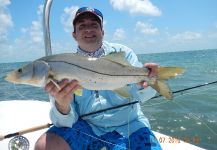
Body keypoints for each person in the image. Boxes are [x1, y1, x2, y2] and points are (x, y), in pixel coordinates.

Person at [35, 7, 162, 150]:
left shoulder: (123, 53)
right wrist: (62, 106)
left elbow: (145, 96)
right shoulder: (64, 66)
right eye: (82, 26)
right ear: (74, 34)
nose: (88, 30)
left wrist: (148, 83)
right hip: (89, 127)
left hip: (129, 125)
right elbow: (66, 121)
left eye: (94, 25)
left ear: (102, 31)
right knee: (44, 146)